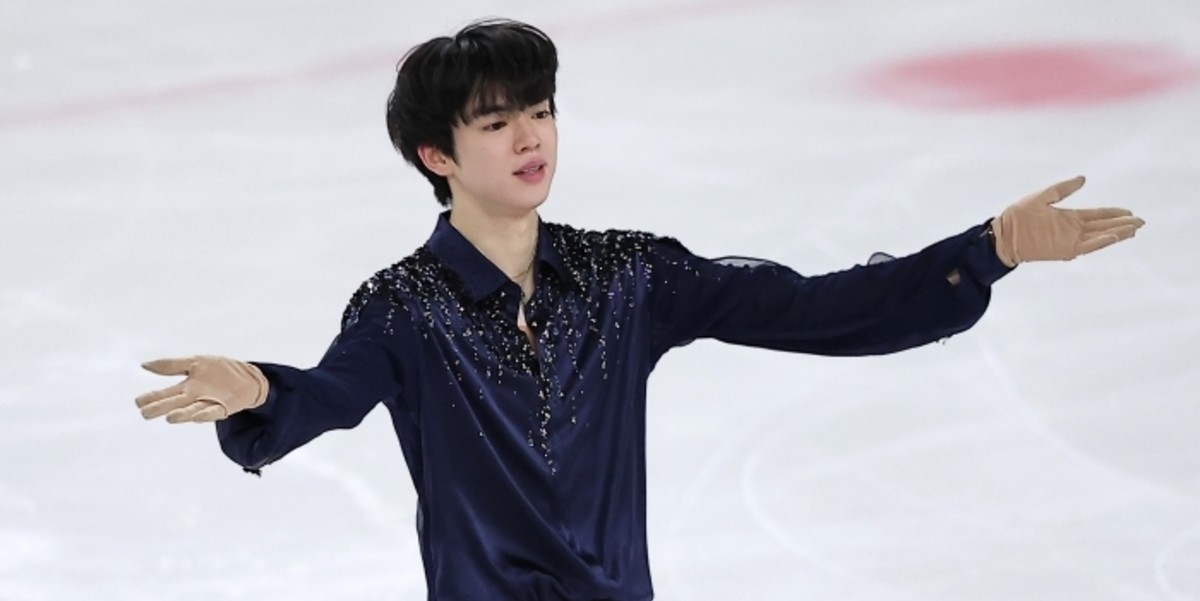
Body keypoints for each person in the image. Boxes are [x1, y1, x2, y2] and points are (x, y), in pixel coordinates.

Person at [134, 18, 1145, 601]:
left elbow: (818, 309)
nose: (531, 137)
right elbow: (322, 397)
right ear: (437, 155)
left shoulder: (628, 276)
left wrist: (989, 249)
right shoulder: (405, 308)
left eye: (541, 110)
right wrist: (255, 388)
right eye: (498, 121)